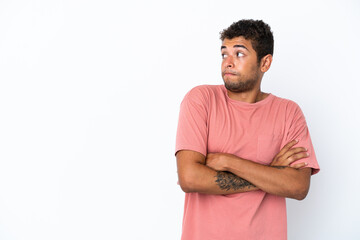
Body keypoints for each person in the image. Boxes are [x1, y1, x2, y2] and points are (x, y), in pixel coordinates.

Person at [175, 19, 320, 240]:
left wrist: (229, 162)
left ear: (265, 63)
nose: (228, 63)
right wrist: (270, 173)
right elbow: (190, 178)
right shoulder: (200, 100)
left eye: (239, 54)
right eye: (224, 54)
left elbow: (299, 186)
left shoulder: (288, 112)